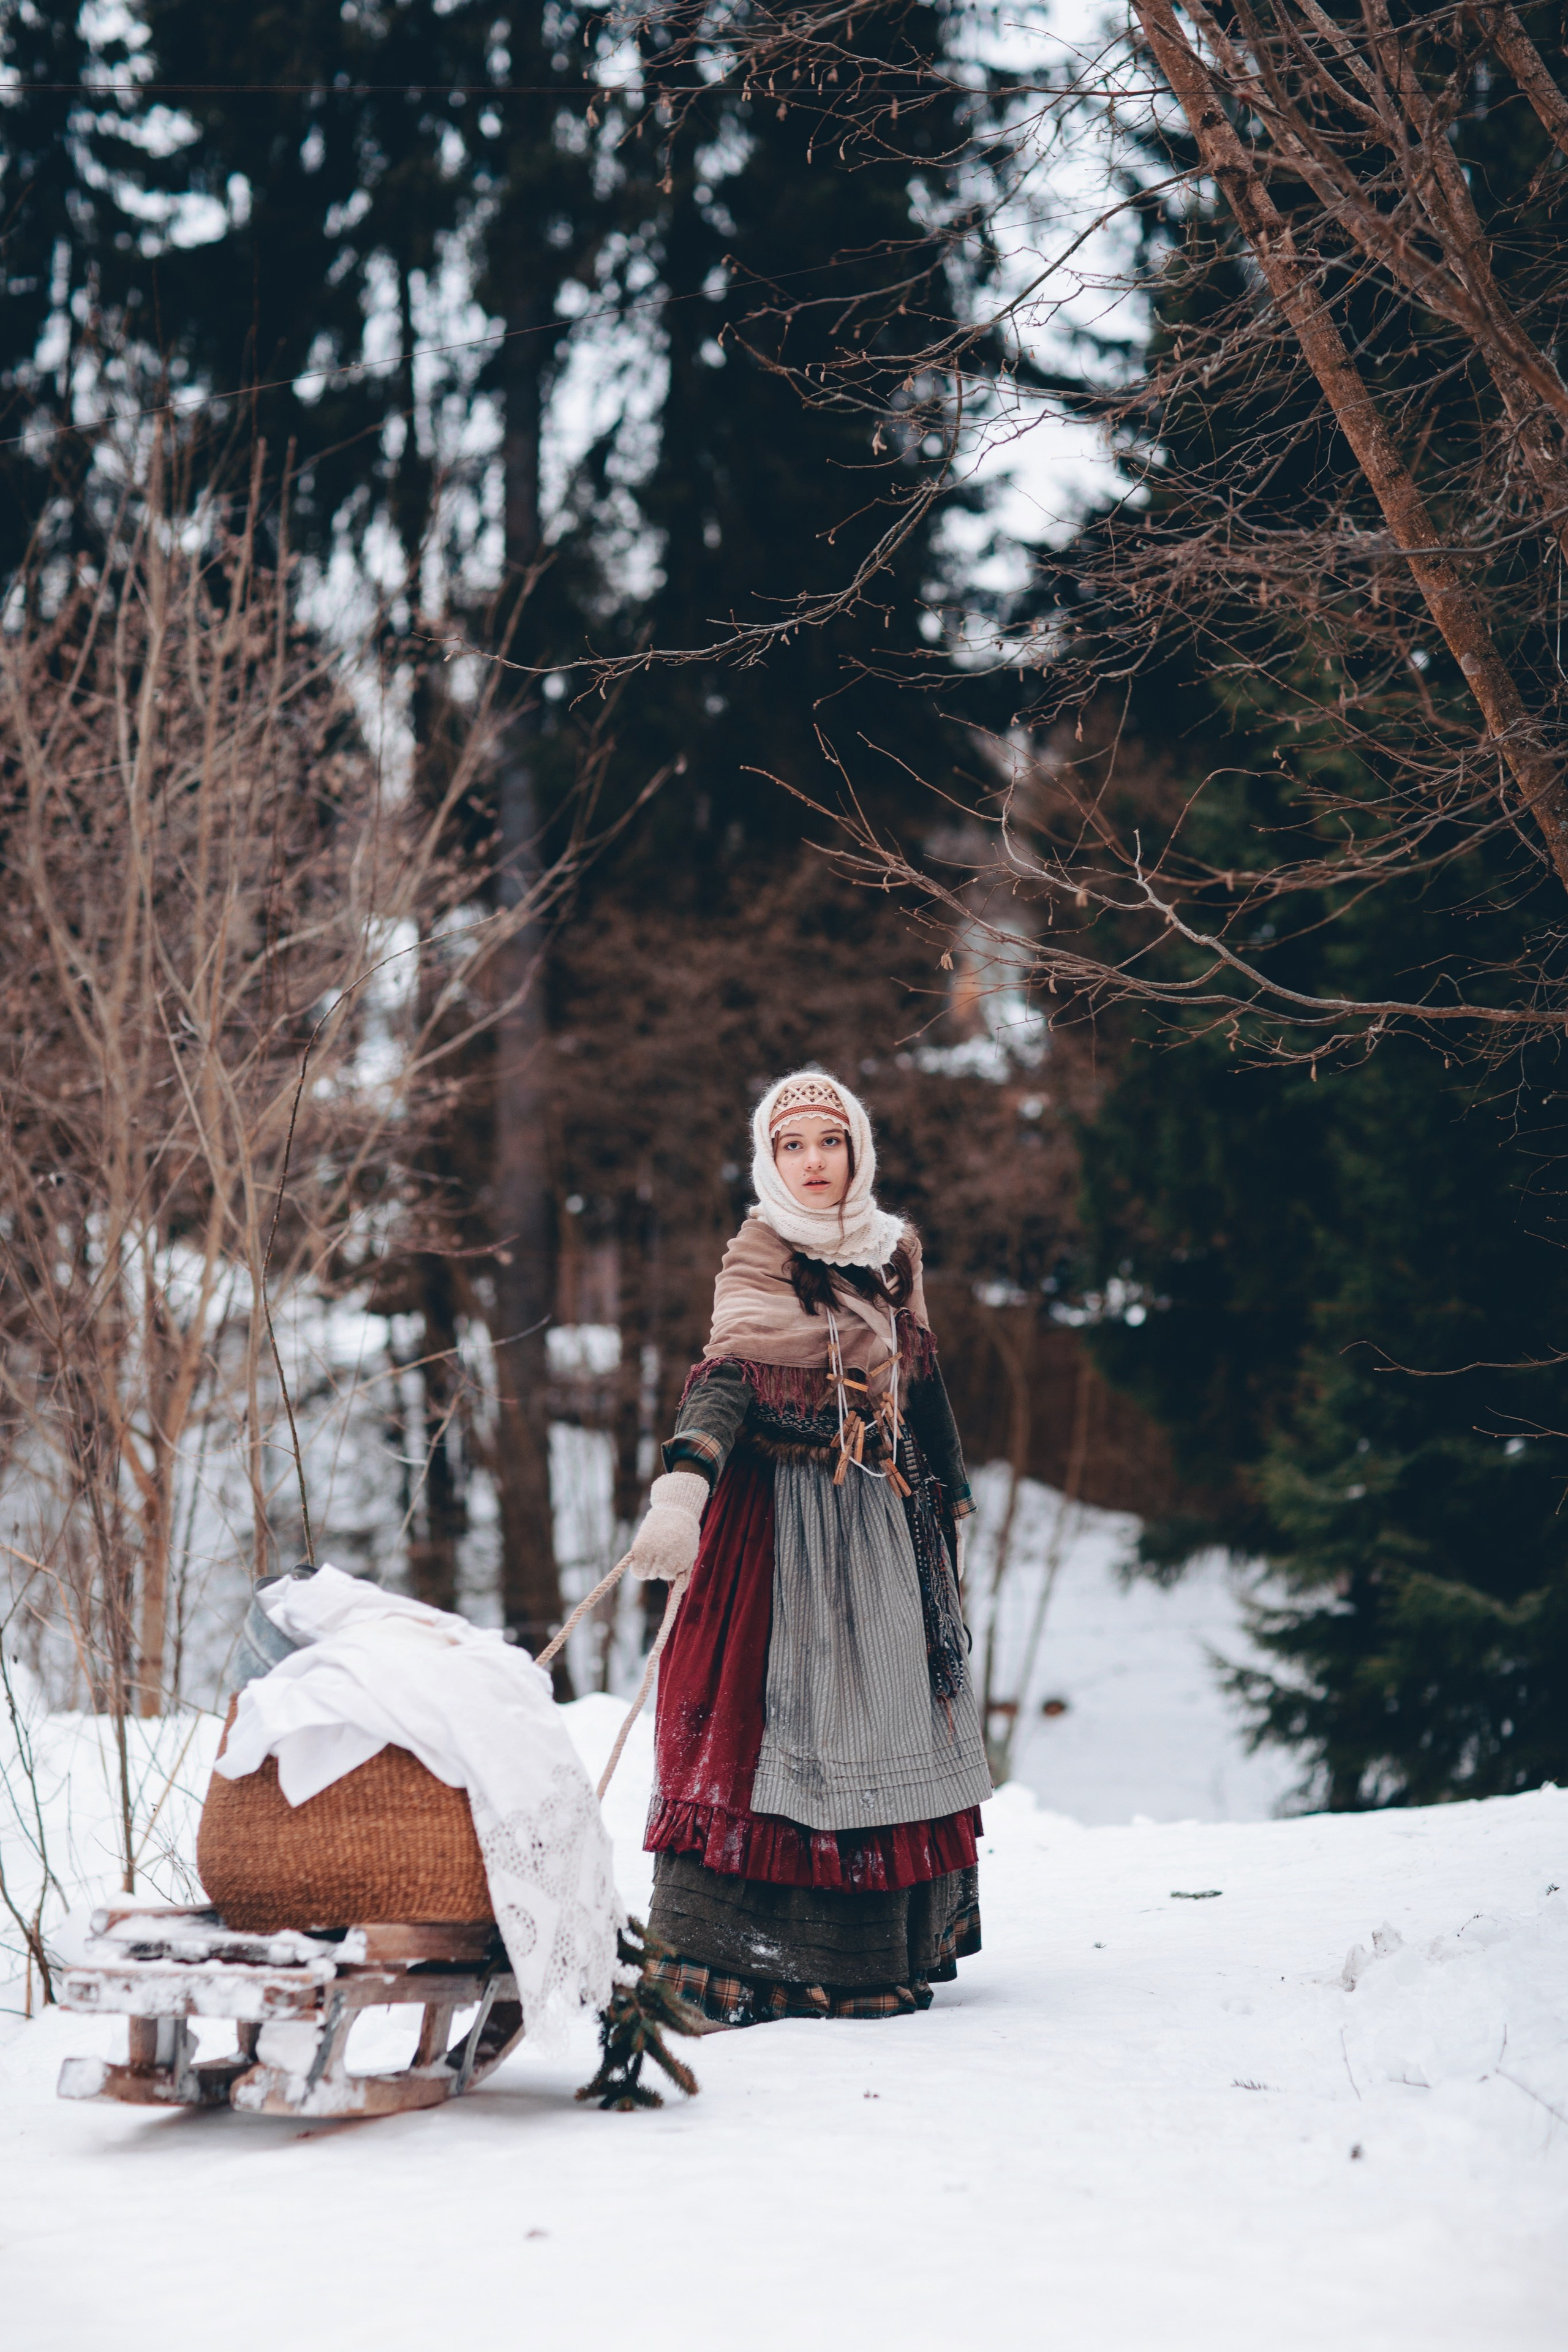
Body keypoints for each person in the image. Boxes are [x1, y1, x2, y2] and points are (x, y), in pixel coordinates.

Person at [624, 1069, 992, 2025]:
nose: (813, 1161)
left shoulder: (894, 1255)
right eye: (793, 1145)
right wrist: (682, 1491)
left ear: (856, 1151)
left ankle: (877, 1959)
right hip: (778, 1527)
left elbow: (923, 1381)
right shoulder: (755, 1258)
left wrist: (952, 1500)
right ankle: (752, 1960)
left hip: (882, 1520)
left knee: (886, 1722)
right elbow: (722, 1385)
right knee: (774, 1729)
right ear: (770, 1160)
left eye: (830, 1141)